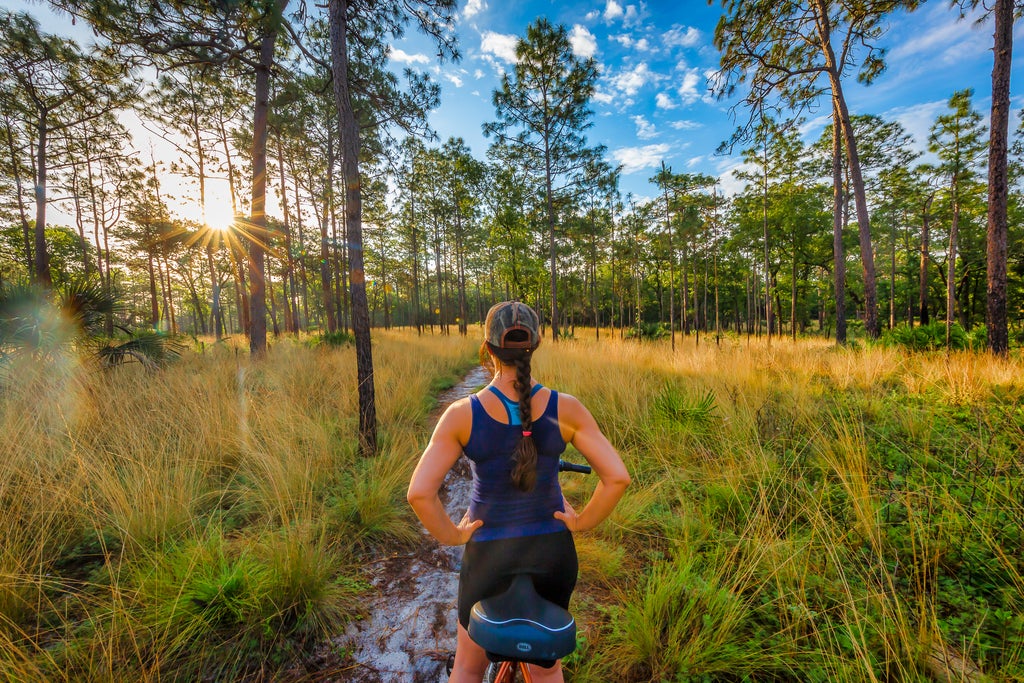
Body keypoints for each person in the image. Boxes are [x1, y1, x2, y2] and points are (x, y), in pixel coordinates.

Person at [407, 301, 630, 683]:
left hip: (489, 556)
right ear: (537, 343)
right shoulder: (567, 409)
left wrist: (454, 536)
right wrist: (579, 522)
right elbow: (617, 478)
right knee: (548, 667)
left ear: (488, 347)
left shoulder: (462, 414)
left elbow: (420, 494)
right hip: (553, 556)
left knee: (466, 667)